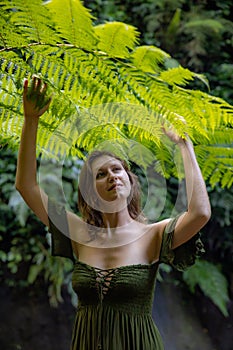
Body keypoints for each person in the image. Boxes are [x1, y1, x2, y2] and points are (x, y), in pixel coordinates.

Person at [16, 76, 211, 350]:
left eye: (117, 169)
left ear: (130, 181)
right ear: (90, 192)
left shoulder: (154, 235)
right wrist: (31, 120)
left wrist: (183, 144)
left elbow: (200, 212)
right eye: (101, 174)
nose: (112, 176)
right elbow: (27, 186)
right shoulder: (78, 234)